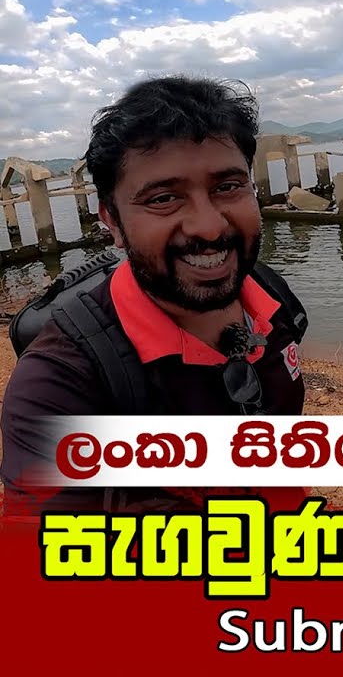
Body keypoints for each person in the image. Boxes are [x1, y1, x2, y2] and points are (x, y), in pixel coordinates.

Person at [1, 76, 308, 514]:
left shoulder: (272, 298)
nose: (210, 227)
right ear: (112, 220)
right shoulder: (59, 387)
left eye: (227, 187)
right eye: (164, 198)